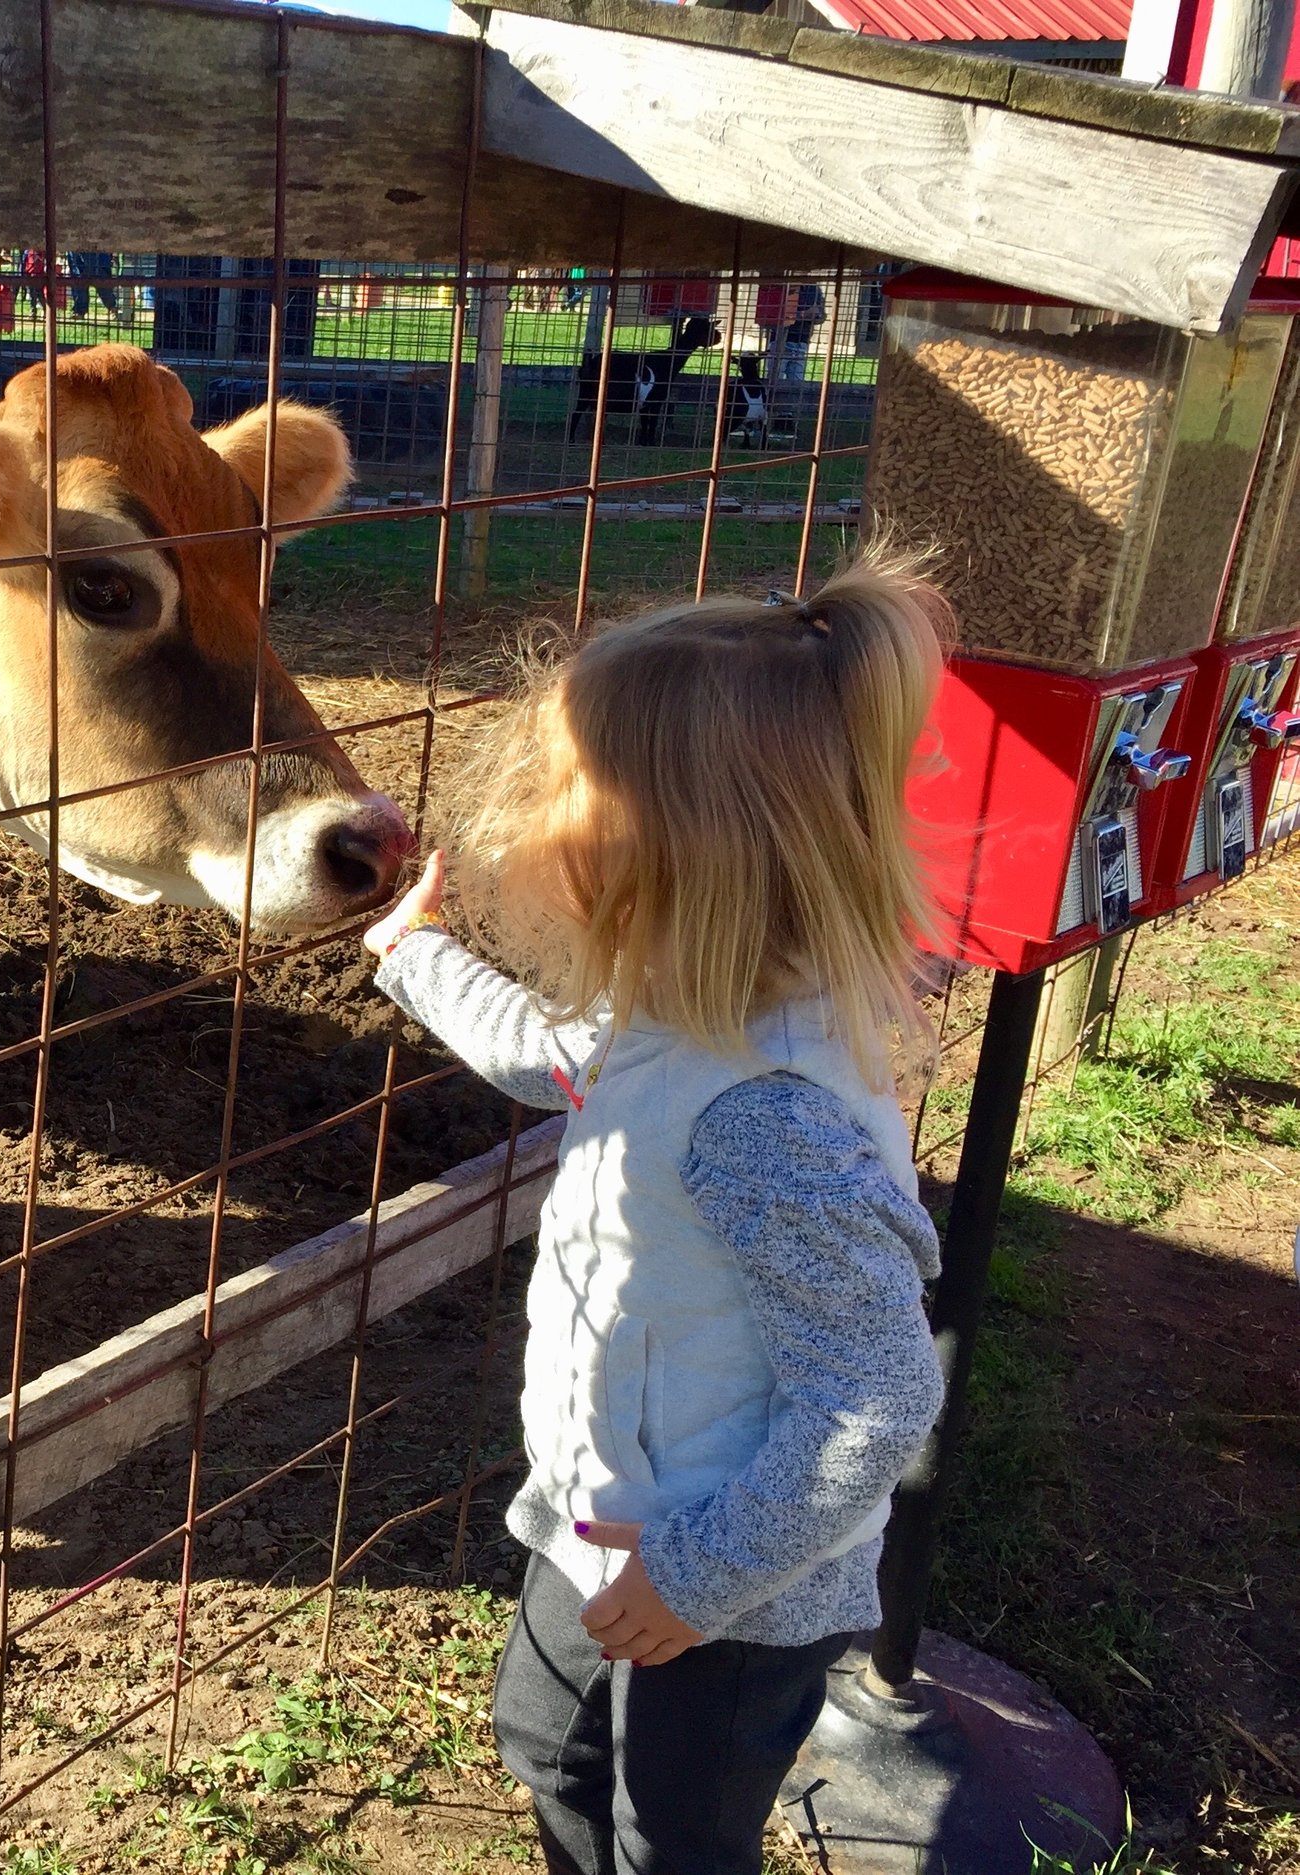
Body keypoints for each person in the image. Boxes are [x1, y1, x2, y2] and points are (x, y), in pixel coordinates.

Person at [360, 555, 953, 1875]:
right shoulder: (675, 1012)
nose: (523, 824)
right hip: (605, 1510)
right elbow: (546, 1051)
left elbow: (875, 1402)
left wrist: (693, 1585)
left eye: (565, 800)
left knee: (676, 1831)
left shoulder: (766, 1119)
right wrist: (415, 958)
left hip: (736, 1584)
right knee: (550, 1744)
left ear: (681, 847)